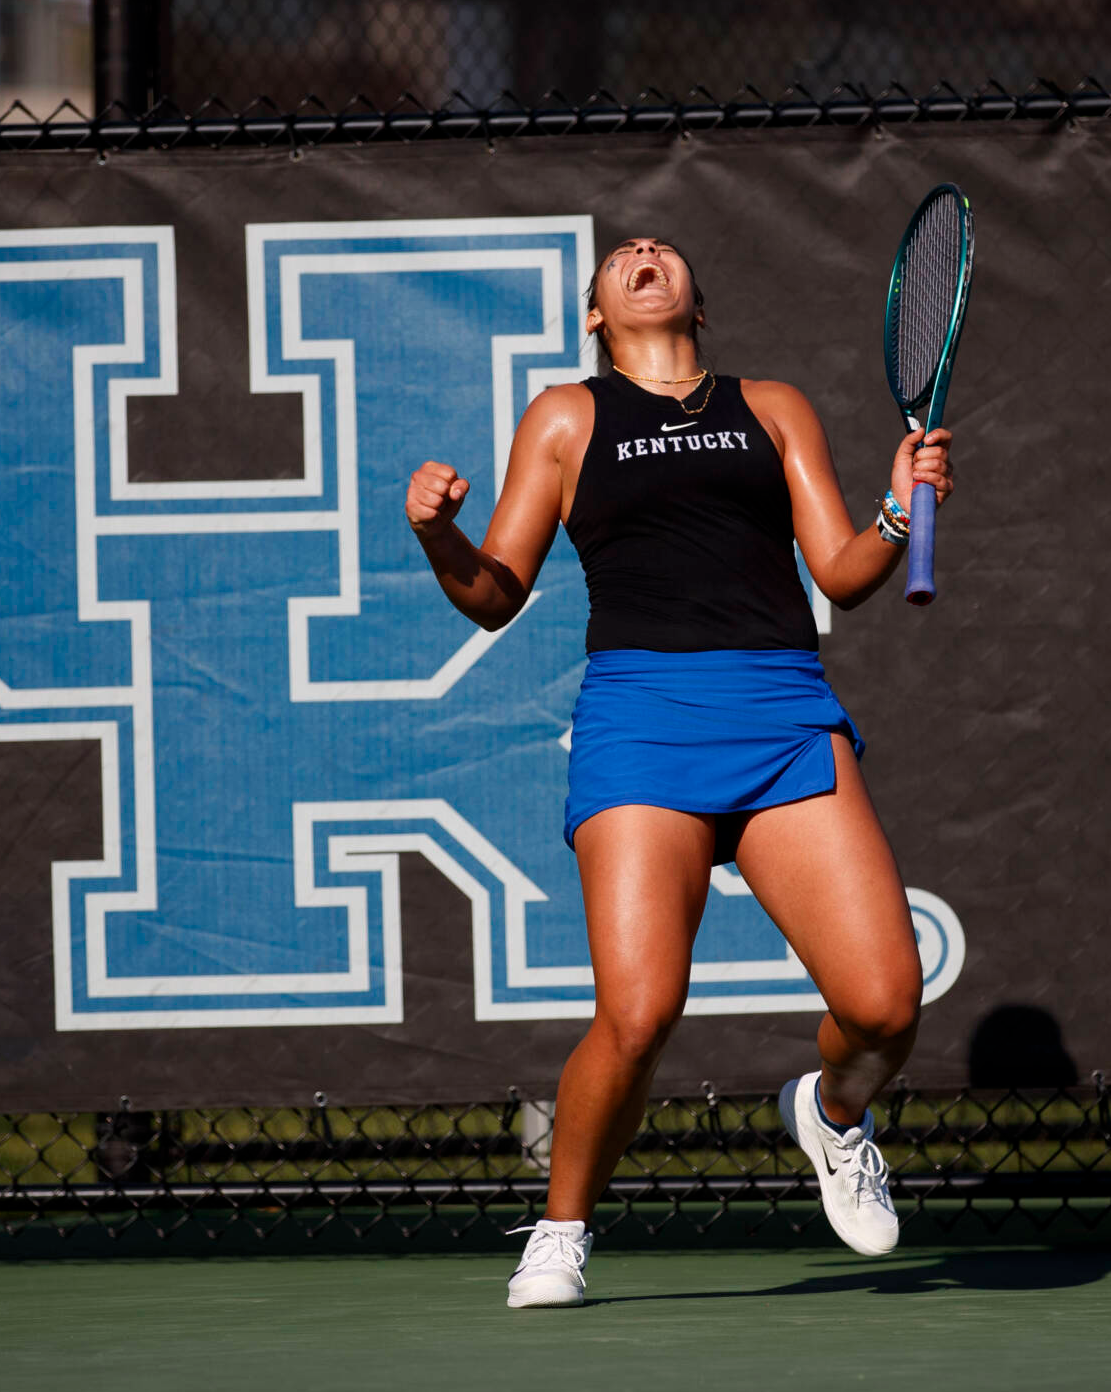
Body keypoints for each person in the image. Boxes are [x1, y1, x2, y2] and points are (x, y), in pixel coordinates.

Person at [404, 236, 954, 1308]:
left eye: (661, 250)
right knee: (640, 1011)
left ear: (699, 302)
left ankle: (834, 1116)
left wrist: (897, 505)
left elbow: (840, 567)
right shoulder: (565, 417)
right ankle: (560, 1231)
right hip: (642, 720)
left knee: (886, 1005)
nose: (642, 253)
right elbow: (494, 589)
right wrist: (439, 535)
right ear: (597, 314)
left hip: (782, 710)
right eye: (620, 257)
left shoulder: (774, 405)